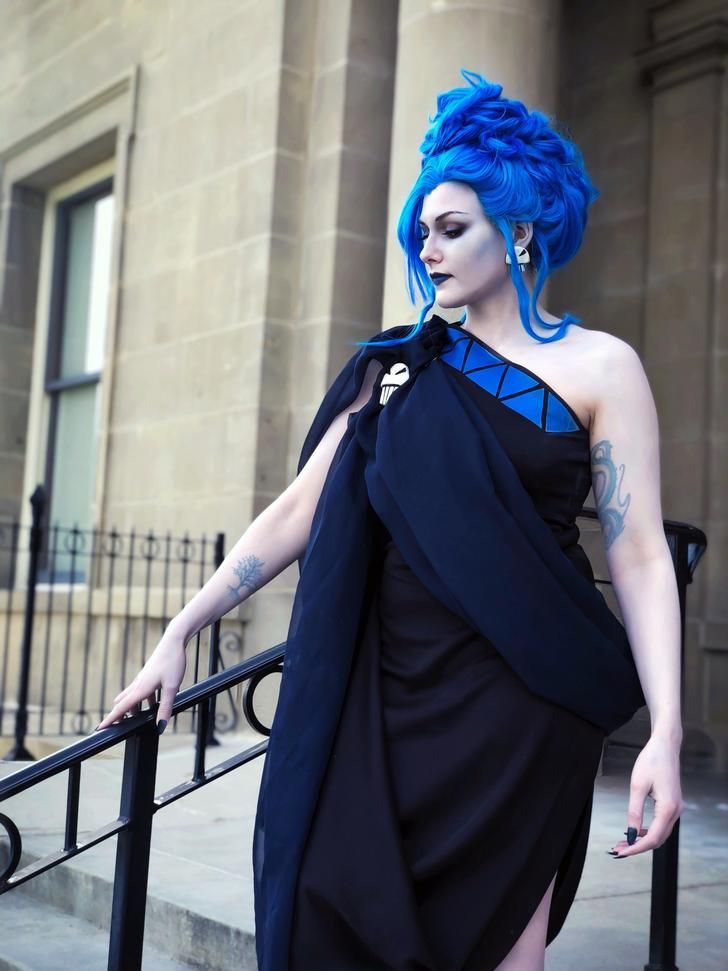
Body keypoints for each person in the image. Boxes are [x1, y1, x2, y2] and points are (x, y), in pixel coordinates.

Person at [96, 70, 685, 971]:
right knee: (340, 910)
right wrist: (183, 627)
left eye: (454, 228)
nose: (430, 249)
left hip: (523, 713)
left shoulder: (602, 369)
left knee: (503, 956)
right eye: (424, 232)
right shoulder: (400, 370)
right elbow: (299, 509)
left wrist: (667, 737)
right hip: (387, 704)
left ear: (520, 230)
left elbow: (640, 556)